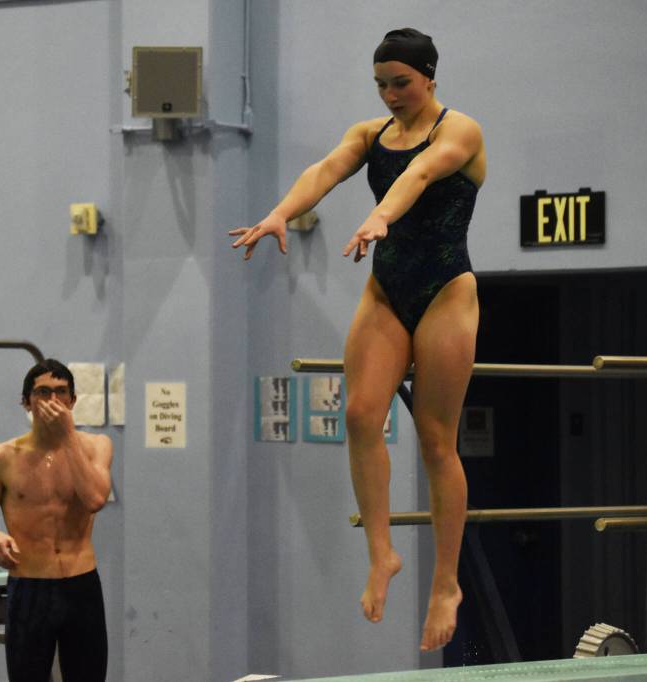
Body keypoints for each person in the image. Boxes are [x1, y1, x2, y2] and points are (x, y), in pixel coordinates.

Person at [230, 27, 484, 652]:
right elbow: (326, 170)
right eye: (381, 85)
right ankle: (382, 554)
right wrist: (280, 213)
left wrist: (380, 215)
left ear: (429, 76)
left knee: (435, 440)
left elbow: (421, 173)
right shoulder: (369, 135)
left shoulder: (461, 131)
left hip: (447, 291)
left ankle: (446, 582)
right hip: (386, 292)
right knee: (361, 415)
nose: (391, 94)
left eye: (401, 82)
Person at [0, 359, 113, 681]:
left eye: (61, 392)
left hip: (80, 584)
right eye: (43, 392)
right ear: (27, 401)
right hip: (29, 586)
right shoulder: (2, 457)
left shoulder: (96, 446)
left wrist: (68, 435)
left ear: (73, 401)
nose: (52, 401)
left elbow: (95, 500)